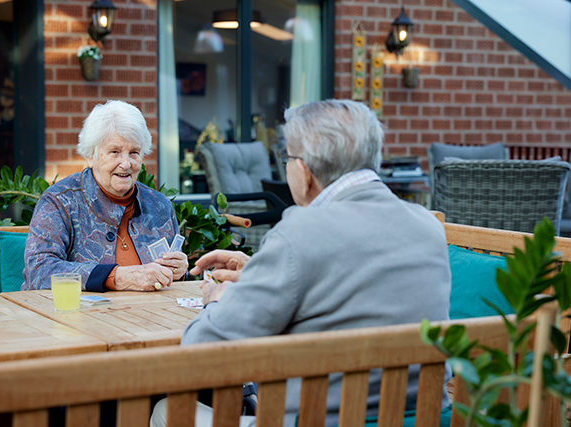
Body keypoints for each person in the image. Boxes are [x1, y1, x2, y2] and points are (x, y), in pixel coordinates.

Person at [150, 99, 452, 427]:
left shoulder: (300, 232)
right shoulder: (428, 227)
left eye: (287, 158)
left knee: (165, 411)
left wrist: (217, 301)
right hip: (423, 419)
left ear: (305, 171)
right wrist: (258, 271)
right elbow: (352, 280)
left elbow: (200, 352)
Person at [22, 100, 188, 292]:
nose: (126, 164)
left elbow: (172, 284)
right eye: (114, 152)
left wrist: (178, 272)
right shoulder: (59, 202)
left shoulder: (160, 206)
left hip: (146, 317)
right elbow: (39, 271)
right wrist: (117, 277)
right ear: (90, 156)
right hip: (76, 318)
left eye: (134, 152)